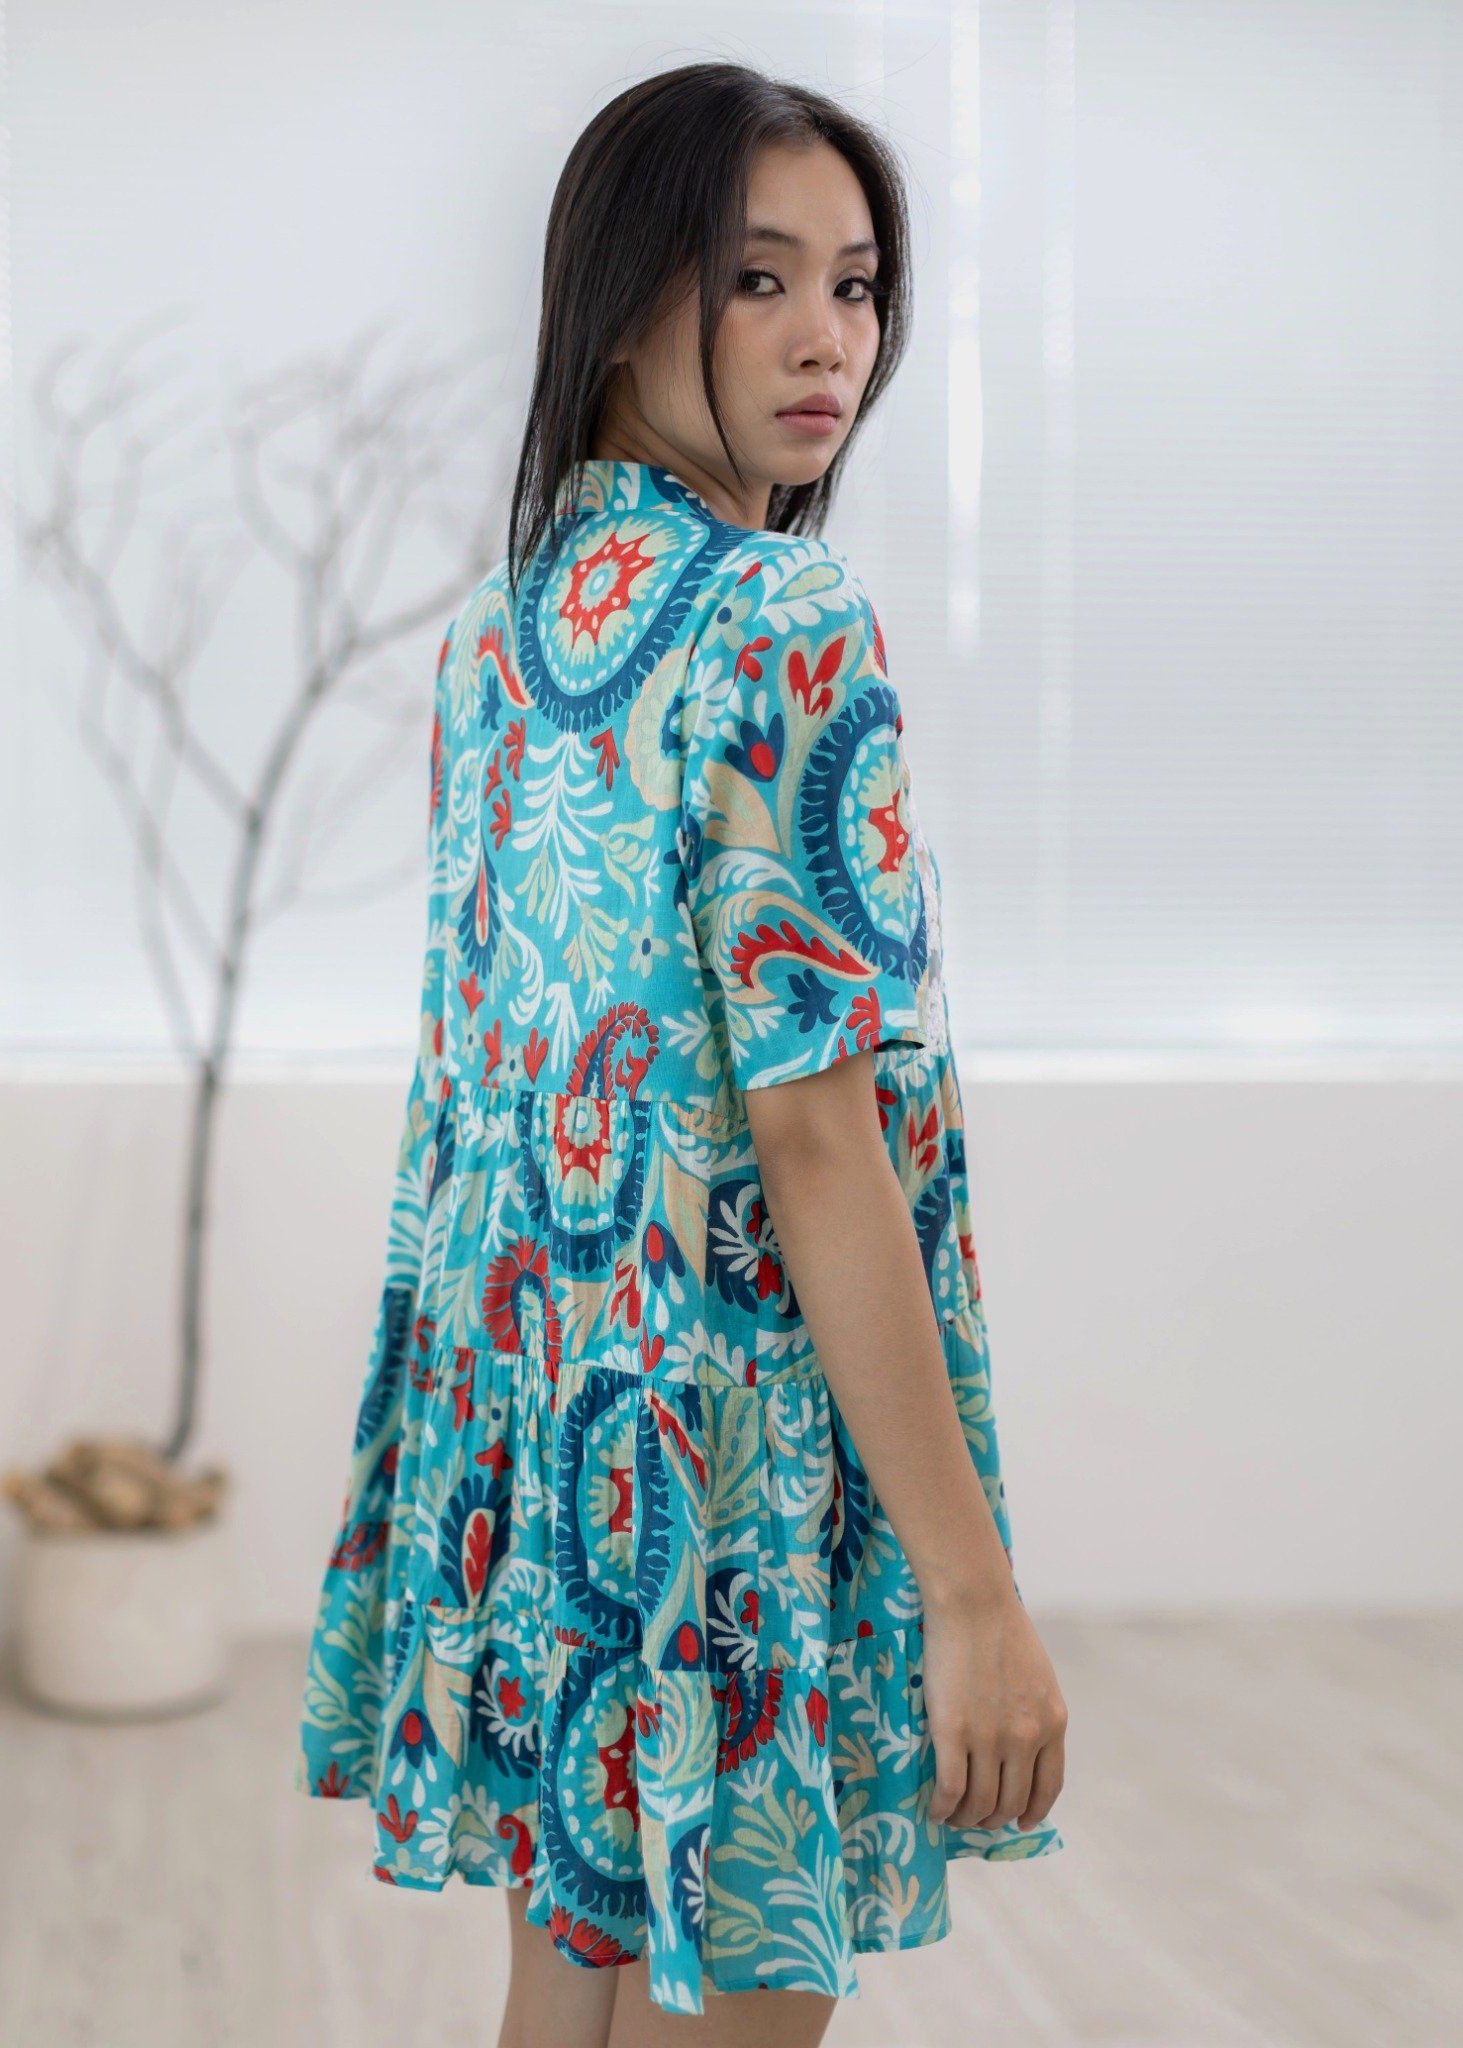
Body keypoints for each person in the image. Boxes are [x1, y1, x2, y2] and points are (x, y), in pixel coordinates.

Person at [295, 59, 1068, 2048]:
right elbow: (812, 1136)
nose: (829, 340)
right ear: (628, 292)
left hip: (546, 1444)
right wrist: (972, 1593)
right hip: (724, 1477)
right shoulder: (780, 615)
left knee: (564, 2005)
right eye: (759, 278)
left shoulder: (503, 629)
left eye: (858, 284)